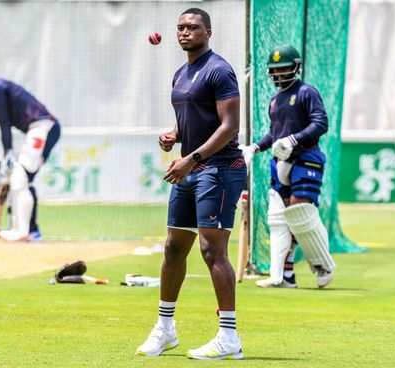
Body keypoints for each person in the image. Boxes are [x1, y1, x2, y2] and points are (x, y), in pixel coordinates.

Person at [136, 8, 246, 360]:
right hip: (192, 170)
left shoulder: (219, 70)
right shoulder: (181, 73)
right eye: (180, 28)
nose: (185, 32)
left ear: (208, 32)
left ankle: (229, 336)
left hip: (219, 169)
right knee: (172, 248)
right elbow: (193, 120)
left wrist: (190, 158)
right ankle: (165, 330)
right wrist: (174, 135)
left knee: (212, 251)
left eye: (192, 27)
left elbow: (229, 126)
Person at [240, 45, 336, 289]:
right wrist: (254, 148)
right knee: (279, 219)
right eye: (275, 70)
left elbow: (320, 123)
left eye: (284, 68)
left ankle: (323, 265)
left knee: (300, 213)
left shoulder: (307, 92)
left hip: (307, 158)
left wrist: (294, 139)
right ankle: (285, 275)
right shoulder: (275, 101)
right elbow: (275, 134)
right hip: (280, 162)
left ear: (296, 67)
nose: (280, 74)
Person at [0, 61, 61, 242]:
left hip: (43, 127)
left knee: (20, 175)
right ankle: (30, 230)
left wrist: (8, 151)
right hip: (42, 127)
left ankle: (23, 231)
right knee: (25, 179)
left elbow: (4, 123)